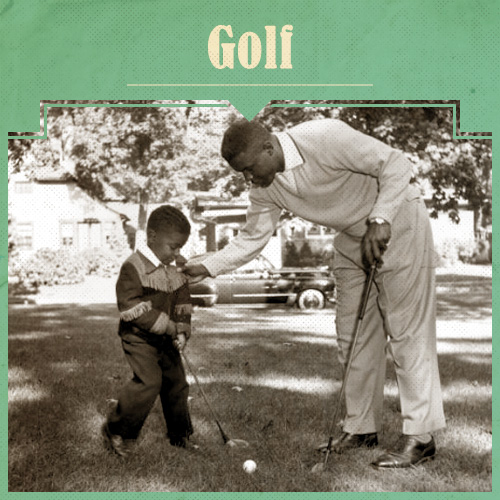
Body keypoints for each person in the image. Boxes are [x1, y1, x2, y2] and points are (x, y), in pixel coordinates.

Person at [184, 118, 446, 469]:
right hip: (351, 240)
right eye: (241, 174)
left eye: (249, 169)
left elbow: (396, 163)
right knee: (352, 338)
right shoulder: (266, 186)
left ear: (269, 147)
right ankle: (361, 429)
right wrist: (205, 266)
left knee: (407, 334)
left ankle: (421, 437)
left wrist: (381, 217)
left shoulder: (323, 136)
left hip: (399, 222)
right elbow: (251, 239)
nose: (248, 179)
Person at [103, 205, 196, 457]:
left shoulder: (176, 267)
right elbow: (129, 306)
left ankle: (180, 436)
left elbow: (182, 300)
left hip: (166, 339)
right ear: (152, 236)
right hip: (139, 337)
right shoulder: (133, 266)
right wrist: (168, 325)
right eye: (173, 246)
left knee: (177, 384)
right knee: (149, 382)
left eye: (180, 247)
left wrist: (182, 330)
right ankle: (118, 430)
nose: (177, 252)